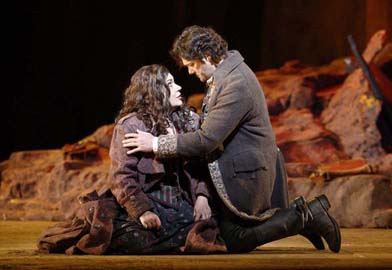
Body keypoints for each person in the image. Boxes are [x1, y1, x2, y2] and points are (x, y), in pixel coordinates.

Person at [122, 25, 341, 253]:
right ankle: (303, 220)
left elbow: (207, 139)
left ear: (207, 56)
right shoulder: (227, 75)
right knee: (226, 232)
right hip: (238, 165)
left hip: (246, 173)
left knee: (236, 238)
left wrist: (156, 143)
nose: (189, 72)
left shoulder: (236, 84)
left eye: (191, 65)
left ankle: (307, 217)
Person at [108, 64, 220, 254]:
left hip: (184, 201)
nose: (179, 88)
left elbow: (204, 165)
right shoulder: (132, 125)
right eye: (170, 84)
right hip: (151, 200)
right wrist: (142, 211)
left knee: (206, 228)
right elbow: (122, 176)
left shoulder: (190, 121)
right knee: (128, 234)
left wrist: (202, 197)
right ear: (154, 91)